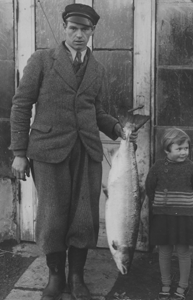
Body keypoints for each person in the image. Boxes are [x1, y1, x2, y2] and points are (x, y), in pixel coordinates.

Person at [10, 4, 138, 300]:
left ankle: (77, 277)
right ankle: (56, 277)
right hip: (48, 151)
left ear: (93, 31)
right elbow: (20, 105)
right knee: (53, 215)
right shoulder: (42, 60)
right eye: (73, 29)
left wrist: (117, 129)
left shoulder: (98, 69)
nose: (79, 35)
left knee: (84, 217)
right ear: (65, 28)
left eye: (86, 30)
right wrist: (19, 151)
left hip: (87, 151)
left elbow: (98, 111)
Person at [145, 127, 193, 300]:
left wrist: (183, 203)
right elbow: (150, 188)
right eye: (179, 149)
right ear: (167, 150)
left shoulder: (191, 168)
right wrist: (161, 204)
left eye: (186, 148)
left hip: (183, 218)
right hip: (163, 217)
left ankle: (183, 286)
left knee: (183, 252)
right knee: (164, 251)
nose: (183, 152)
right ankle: (165, 284)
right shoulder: (157, 167)